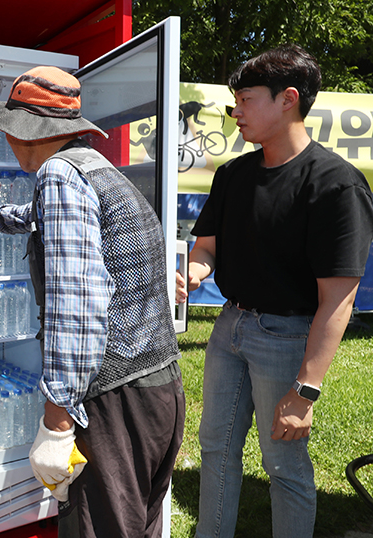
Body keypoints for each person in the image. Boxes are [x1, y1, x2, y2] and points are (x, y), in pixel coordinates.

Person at [0, 65, 185, 538]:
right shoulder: (94, 168)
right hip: (158, 388)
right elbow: (40, 216)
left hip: (114, 400)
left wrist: (57, 421)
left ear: (34, 132)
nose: (8, 143)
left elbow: (76, 302)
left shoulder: (57, 174)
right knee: (139, 526)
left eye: (12, 131)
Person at [178, 44, 373, 538]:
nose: (235, 112)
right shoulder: (232, 175)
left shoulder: (335, 185)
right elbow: (206, 249)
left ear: (288, 99)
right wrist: (194, 272)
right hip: (229, 327)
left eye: (244, 99)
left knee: (283, 464)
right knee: (216, 449)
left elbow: (339, 298)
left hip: (287, 337)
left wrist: (305, 390)